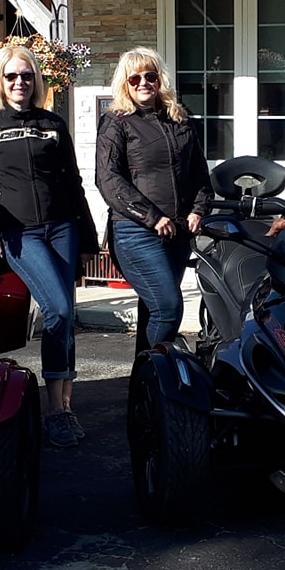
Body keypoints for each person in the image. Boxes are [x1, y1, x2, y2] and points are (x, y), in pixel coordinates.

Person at [0, 44, 99, 447]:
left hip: (62, 228)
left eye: (27, 76)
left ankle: (65, 404)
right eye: (11, 76)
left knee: (67, 313)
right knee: (56, 309)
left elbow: (73, 182)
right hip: (18, 232)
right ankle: (55, 409)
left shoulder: (53, 123)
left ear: (37, 79)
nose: (20, 82)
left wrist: (88, 237)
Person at [95, 47, 211, 356]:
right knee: (168, 307)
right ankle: (157, 380)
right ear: (125, 83)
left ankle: (144, 394)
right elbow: (108, 180)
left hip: (178, 233)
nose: (143, 83)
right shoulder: (116, 122)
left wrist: (198, 210)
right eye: (135, 78)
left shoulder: (180, 118)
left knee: (153, 308)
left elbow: (200, 174)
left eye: (150, 75)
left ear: (160, 79)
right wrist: (151, 217)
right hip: (136, 232)